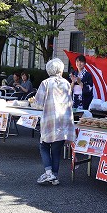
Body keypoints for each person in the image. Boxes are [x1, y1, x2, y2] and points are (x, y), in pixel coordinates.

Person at [33, 58, 75, 186]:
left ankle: (49, 172)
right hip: (64, 120)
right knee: (57, 149)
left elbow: (38, 104)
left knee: (44, 146)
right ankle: (55, 176)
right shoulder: (66, 83)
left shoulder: (45, 83)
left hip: (50, 119)